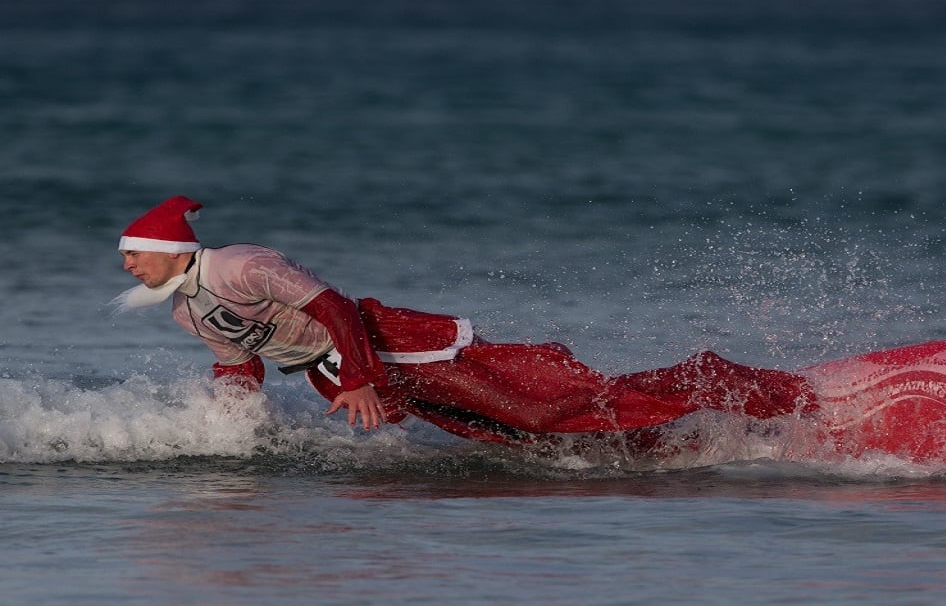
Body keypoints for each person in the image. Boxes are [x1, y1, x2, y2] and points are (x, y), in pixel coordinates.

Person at [115, 196, 816, 446]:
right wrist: (230, 435)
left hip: (389, 347)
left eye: (133, 254)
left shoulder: (242, 264)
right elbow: (241, 362)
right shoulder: (185, 307)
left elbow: (331, 306)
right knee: (505, 434)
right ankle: (662, 439)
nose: (126, 267)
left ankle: (725, 383)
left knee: (542, 410)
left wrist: (357, 376)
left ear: (169, 247)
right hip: (355, 377)